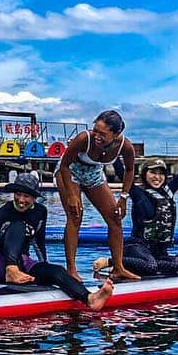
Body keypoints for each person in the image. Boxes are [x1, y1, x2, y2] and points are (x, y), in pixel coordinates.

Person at [95, 130, 178, 277]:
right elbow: (121, 171)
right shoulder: (137, 193)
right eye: (153, 173)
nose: (157, 177)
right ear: (144, 174)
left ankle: (133, 266)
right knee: (151, 266)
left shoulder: (168, 191)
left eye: (161, 173)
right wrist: (108, 145)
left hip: (158, 251)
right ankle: (111, 262)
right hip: (137, 247)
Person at [0, 173, 113, 310]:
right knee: (19, 226)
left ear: (34, 198)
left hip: (22, 263)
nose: (21, 200)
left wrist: (44, 267)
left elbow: (39, 242)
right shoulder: (5, 211)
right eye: (18, 194)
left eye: (26, 196)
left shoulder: (40, 211)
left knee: (57, 270)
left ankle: (90, 298)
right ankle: (11, 270)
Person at [54, 110, 138, 281]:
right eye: (95, 130)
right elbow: (64, 165)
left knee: (115, 217)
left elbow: (130, 170)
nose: (97, 136)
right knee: (75, 215)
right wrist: (72, 194)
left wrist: (123, 198)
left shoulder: (125, 146)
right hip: (70, 172)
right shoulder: (84, 138)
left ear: (116, 134)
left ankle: (118, 267)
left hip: (94, 174)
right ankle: (71, 269)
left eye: (103, 134)